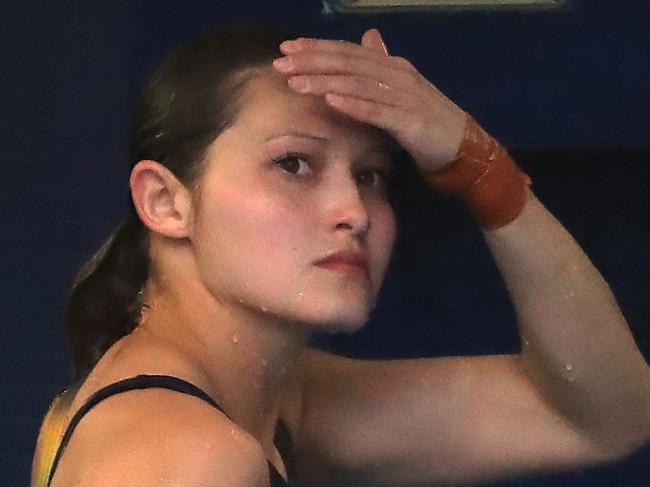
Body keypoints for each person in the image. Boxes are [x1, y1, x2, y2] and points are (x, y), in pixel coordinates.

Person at [32, 24, 649, 487]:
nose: (352, 210)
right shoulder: (185, 456)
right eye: (293, 164)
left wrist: (481, 169)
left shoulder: (282, 399)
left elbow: (605, 415)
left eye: (372, 175)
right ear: (165, 201)